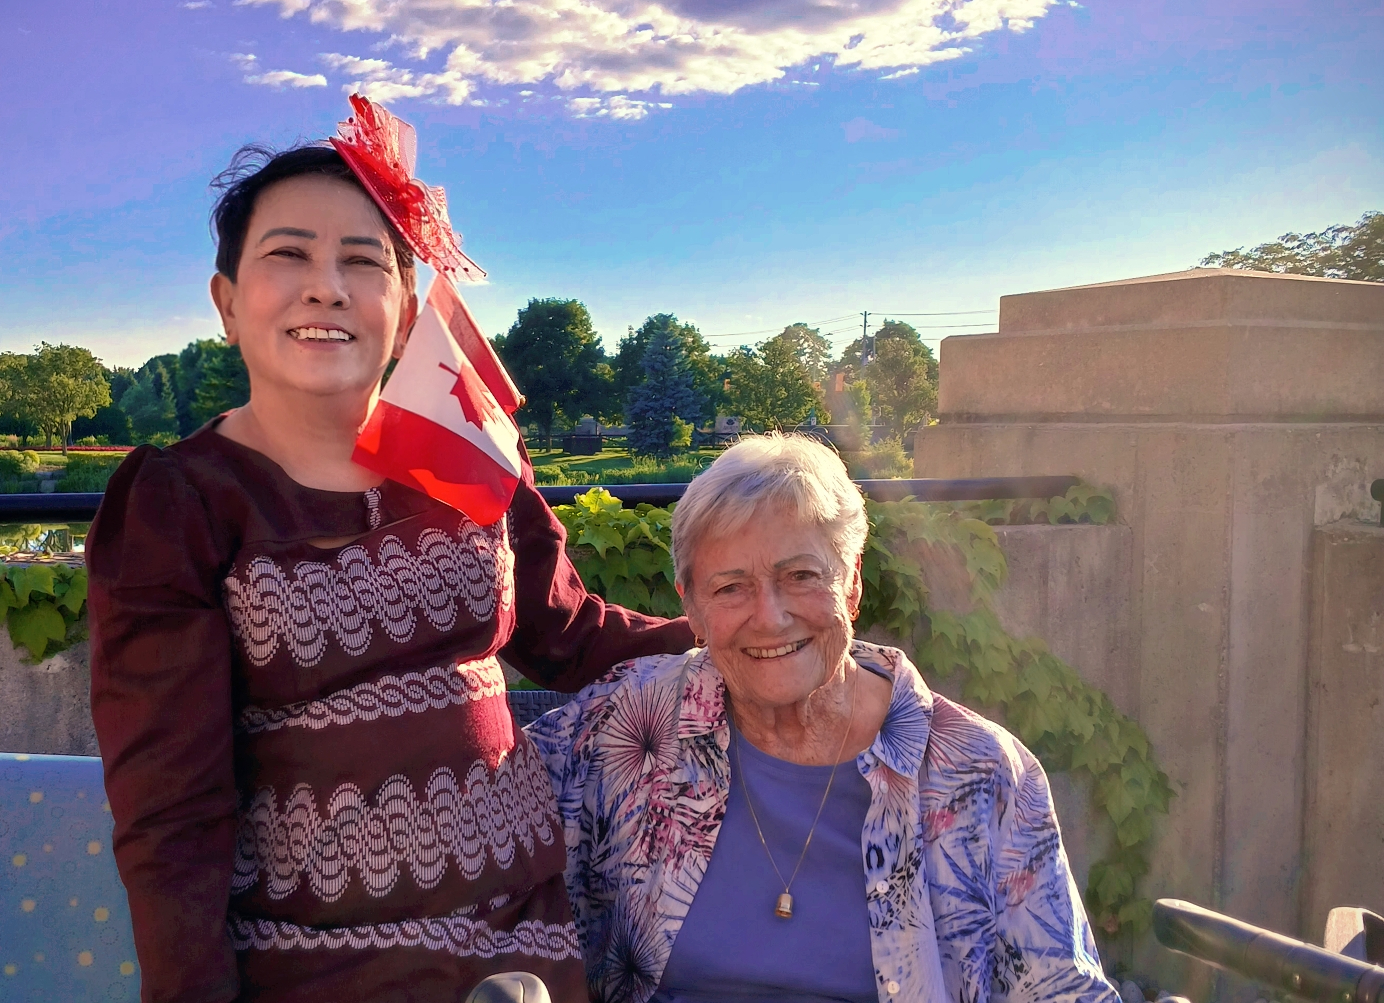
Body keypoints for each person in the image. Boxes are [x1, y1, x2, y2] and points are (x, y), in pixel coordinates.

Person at [86, 98, 694, 1003]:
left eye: (363, 261)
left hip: (523, 944)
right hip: (317, 964)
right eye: (287, 254)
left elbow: (566, 633)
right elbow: (173, 808)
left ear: (405, 304)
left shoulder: (466, 448)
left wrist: (734, 627)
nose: (325, 286)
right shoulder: (183, 501)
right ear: (226, 303)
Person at [526, 434, 1120, 1003]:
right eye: (731, 587)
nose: (771, 616)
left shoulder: (979, 770)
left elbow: (1060, 988)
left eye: (801, 576)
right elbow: (475, 798)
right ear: (692, 609)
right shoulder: (625, 725)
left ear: (852, 582)